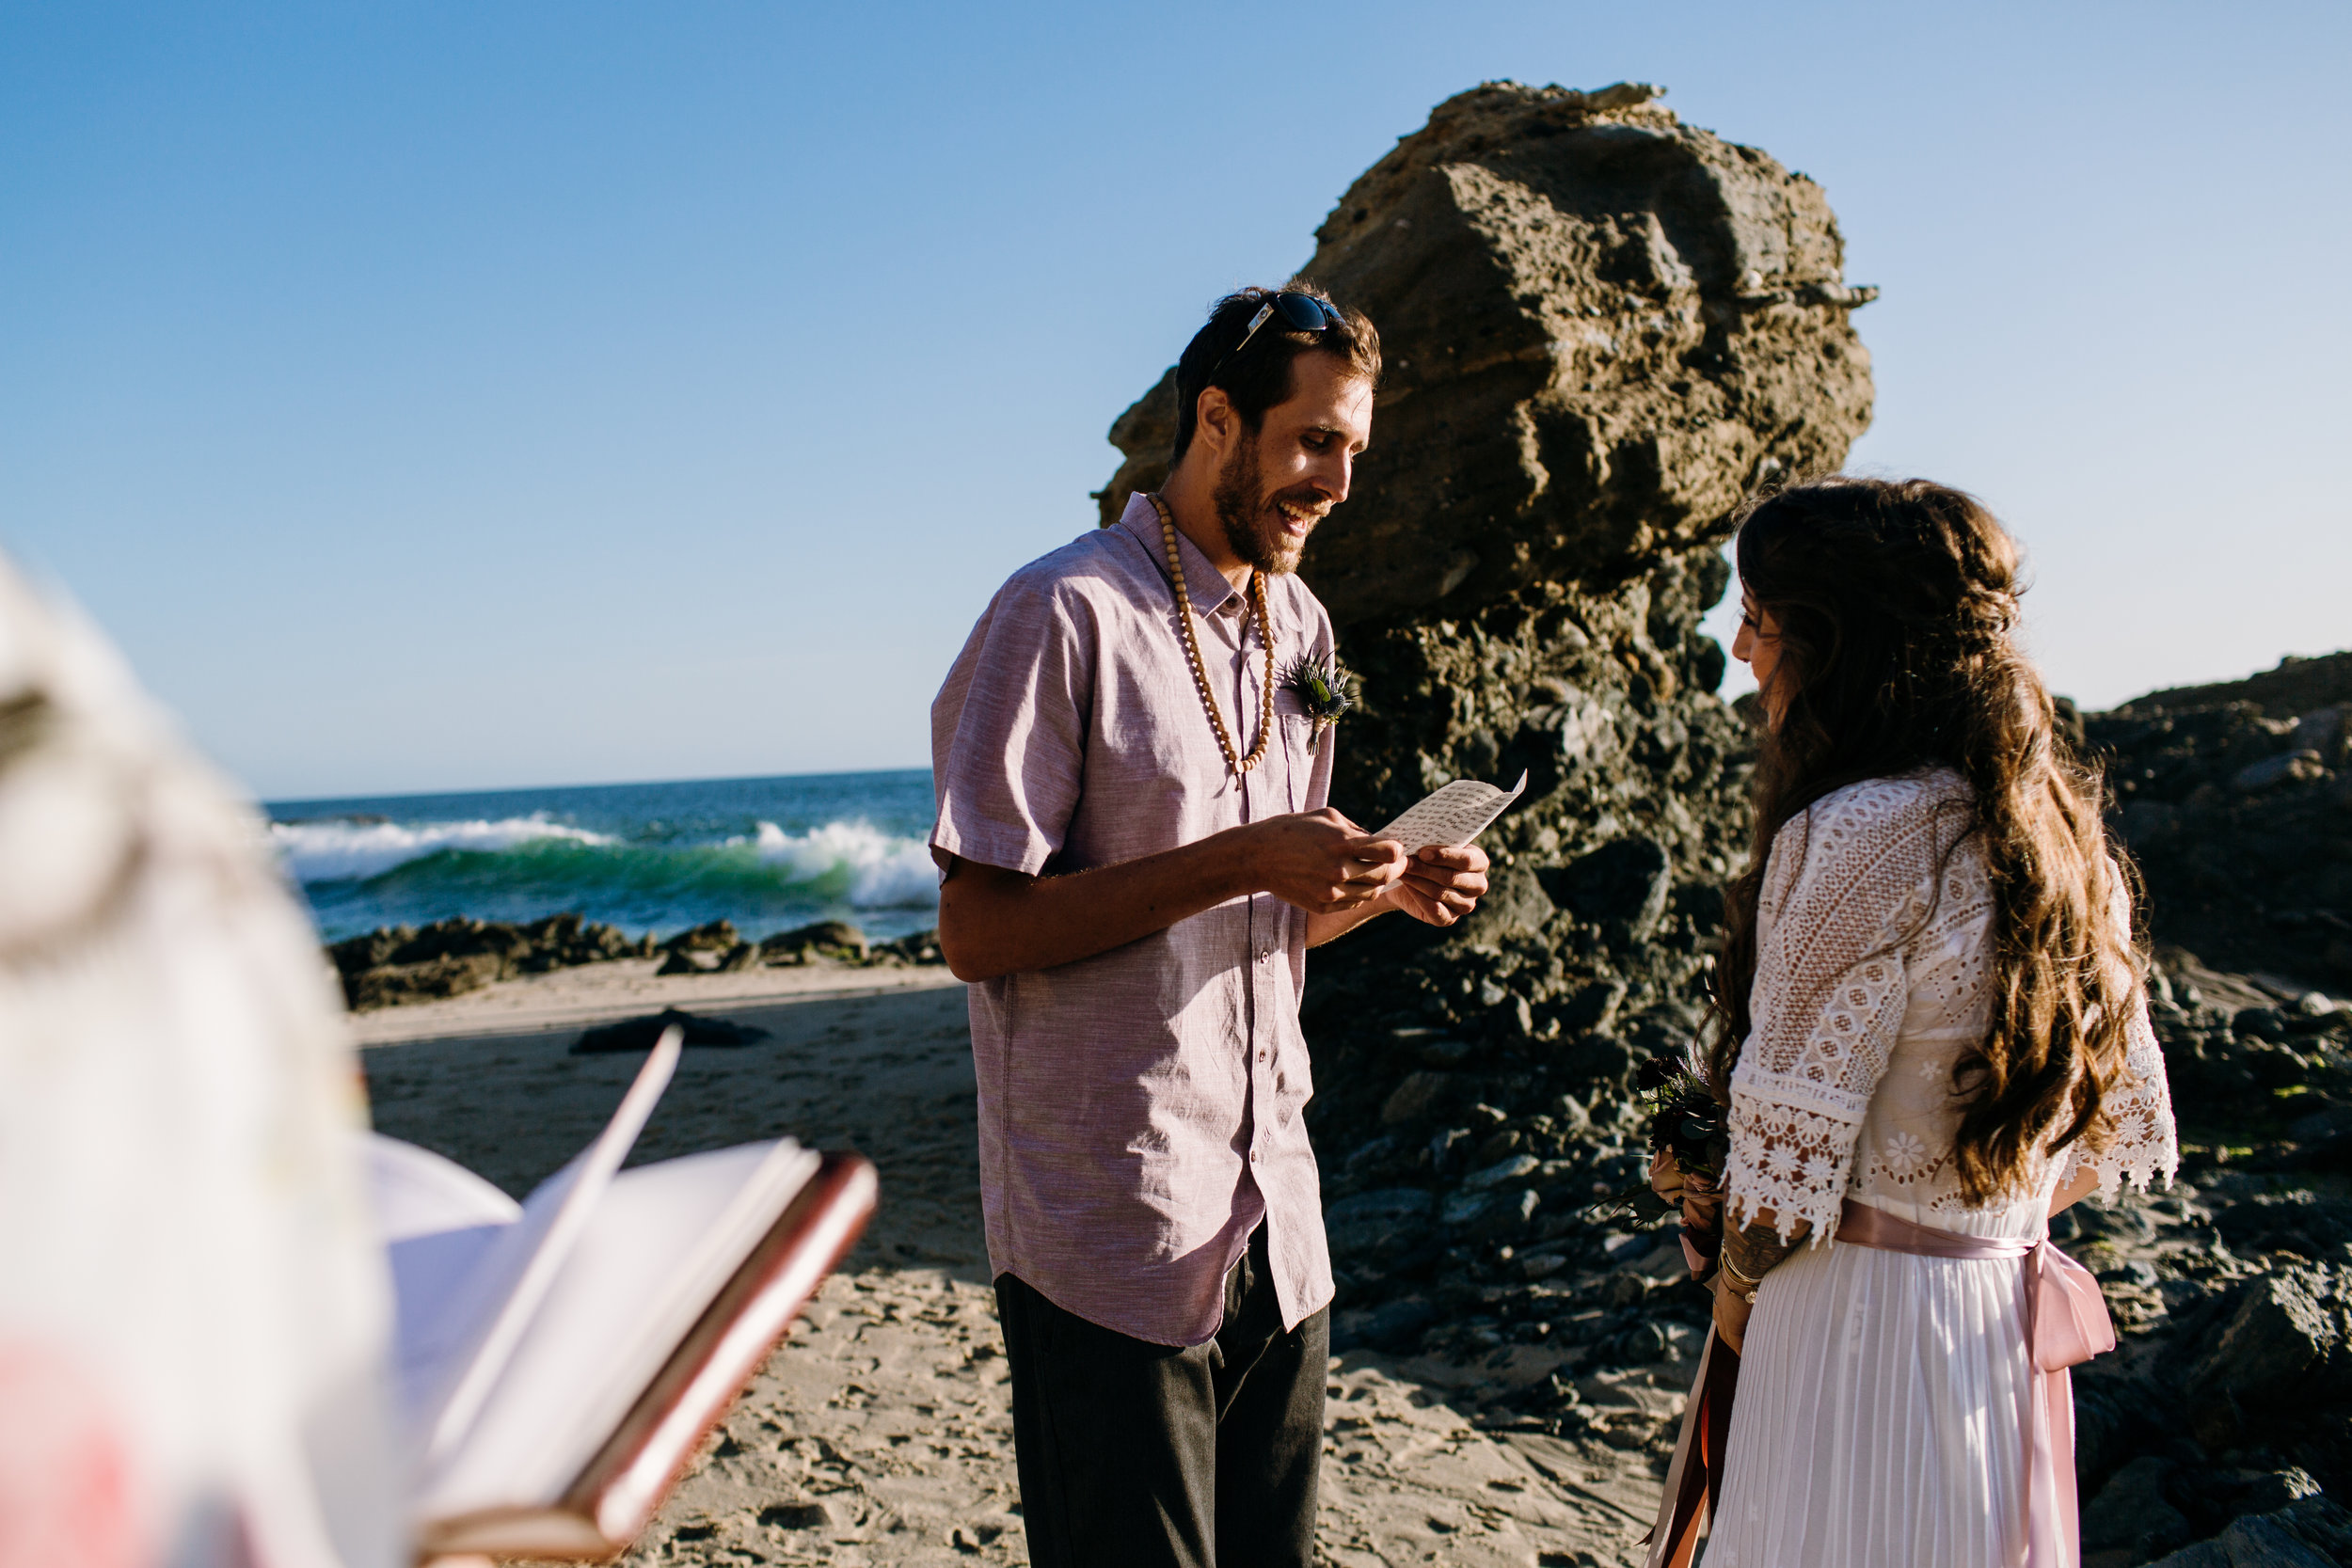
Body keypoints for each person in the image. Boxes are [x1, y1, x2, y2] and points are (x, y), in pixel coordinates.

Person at [928, 282, 1490, 1568]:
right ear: (1220, 421)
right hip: (1108, 1221)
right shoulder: (1063, 609)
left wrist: (1379, 889)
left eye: (1356, 449)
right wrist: (1242, 855)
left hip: (1276, 1220)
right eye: (1314, 442)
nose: (1340, 481)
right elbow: (976, 927)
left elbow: (1260, 930)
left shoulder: (1304, 628)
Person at [1686, 477, 2178, 1567]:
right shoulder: (2067, 845)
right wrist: (1972, 1224)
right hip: (1990, 1333)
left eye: (1758, 617)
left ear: (1838, 641)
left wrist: (1730, 1292)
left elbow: (1778, 1192)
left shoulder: (1854, 831)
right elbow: (2106, 1137)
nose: (1738, 649)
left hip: (1853, 1335)